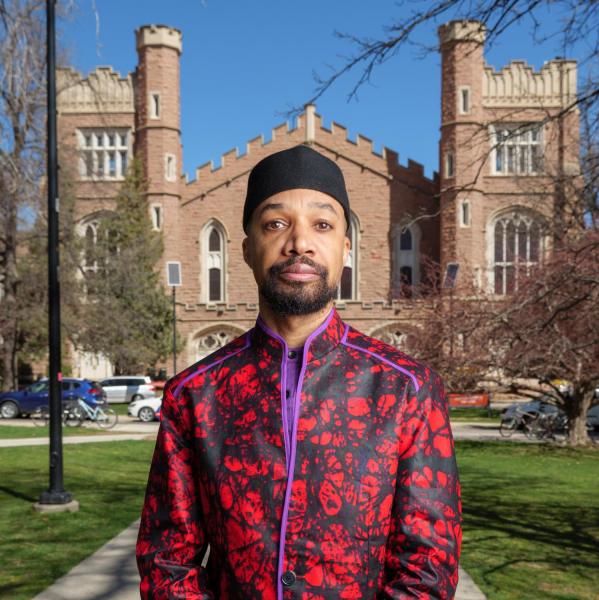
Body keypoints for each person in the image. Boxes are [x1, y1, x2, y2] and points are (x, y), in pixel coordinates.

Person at [136, 145, 461, 599]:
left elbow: (428, 563)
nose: (299, 243)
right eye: (275, 224)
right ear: (247, 248)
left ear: (346, 249)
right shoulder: (193, 395)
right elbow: (167, 559)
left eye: (322, 225)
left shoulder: (407, 389)